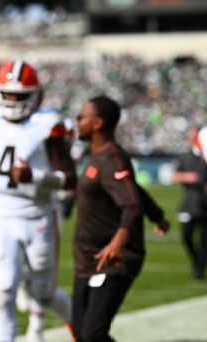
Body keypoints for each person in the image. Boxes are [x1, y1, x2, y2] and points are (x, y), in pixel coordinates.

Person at [0, 60, 77, 342]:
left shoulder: (49, 124)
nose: (13, 100)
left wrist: (36, 177)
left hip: (39, 215)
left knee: (44, 293)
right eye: (8, 93)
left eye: (20, 95)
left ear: (35, 95)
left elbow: (70, 179)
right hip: (2, 216)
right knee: (3, 292)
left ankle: (80, 326)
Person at [72, 95, 170, 342]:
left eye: (81, 117)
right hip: (88, 259)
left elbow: (131, 203)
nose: (77, 121)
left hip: (114, 260)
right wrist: (158, 217)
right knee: (82, 334)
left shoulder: (112, 158)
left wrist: (117, 243)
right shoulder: (96, 156)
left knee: (93, 334)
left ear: (97, 123)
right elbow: (134, 189)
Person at [172, 126, 207, 280]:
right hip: (190, 203)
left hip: (205, 205)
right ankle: (196, 261)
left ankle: (199, 268)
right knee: (186, 235)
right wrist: (188, 177)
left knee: (205, 240)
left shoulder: (204, 157)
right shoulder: (185, 156)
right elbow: (175, 175)